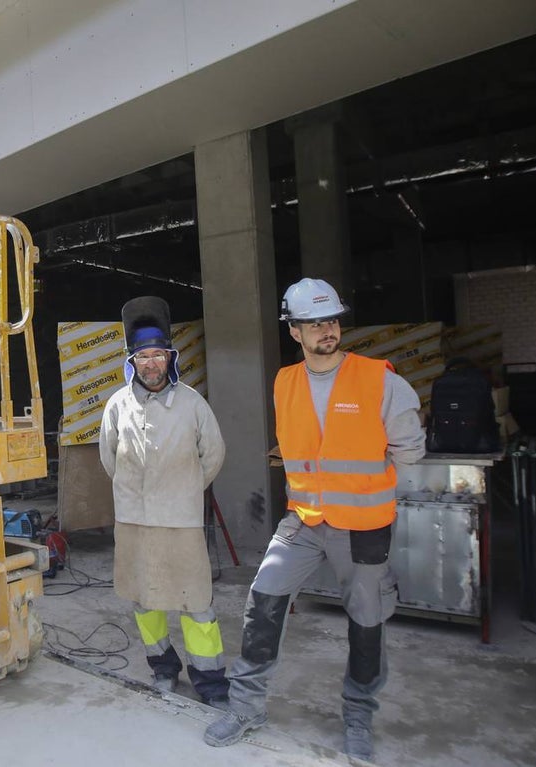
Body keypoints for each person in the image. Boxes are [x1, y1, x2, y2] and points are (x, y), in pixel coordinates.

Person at [204, 278, 426, 761]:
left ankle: (358, 715)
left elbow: (409, 451)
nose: (327, 329)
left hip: (363, 527)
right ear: (295, 332)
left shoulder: (380, 379)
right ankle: (246, 708)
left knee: (366, 624)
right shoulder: (285, 381)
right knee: (263, 601)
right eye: (314, 322)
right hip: (302, 521)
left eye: (331, 320)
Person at [98, 296, 229, 708]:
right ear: (132, 362)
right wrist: (137, 496)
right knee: (144, 599)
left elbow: (214, 455)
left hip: (181, 522)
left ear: (169, 359)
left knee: (196, 603)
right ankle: (163, 667)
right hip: (134, 522)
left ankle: (210, 682)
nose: (151, 364)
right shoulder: (117, 406)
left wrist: (184, 489)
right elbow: (109, 458)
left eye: (158, 355)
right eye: (143, 357)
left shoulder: (192, 403)